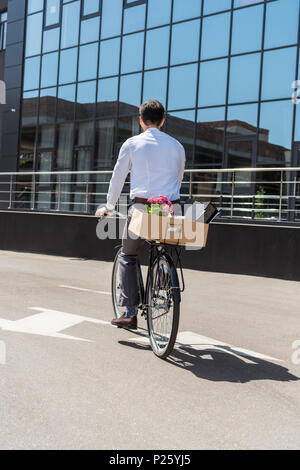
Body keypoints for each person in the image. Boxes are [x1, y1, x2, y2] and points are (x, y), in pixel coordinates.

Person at [95, 100, 186, 330]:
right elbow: (179, 178)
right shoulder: (177, 146)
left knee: (128, 255)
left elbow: (118, 177)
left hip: (142, 209)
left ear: (141, 121)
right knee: (165, 246)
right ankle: (164, 279)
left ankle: (129, 312)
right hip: (170, 209)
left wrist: (109, 205)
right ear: (163, 120)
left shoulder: (132, 143)